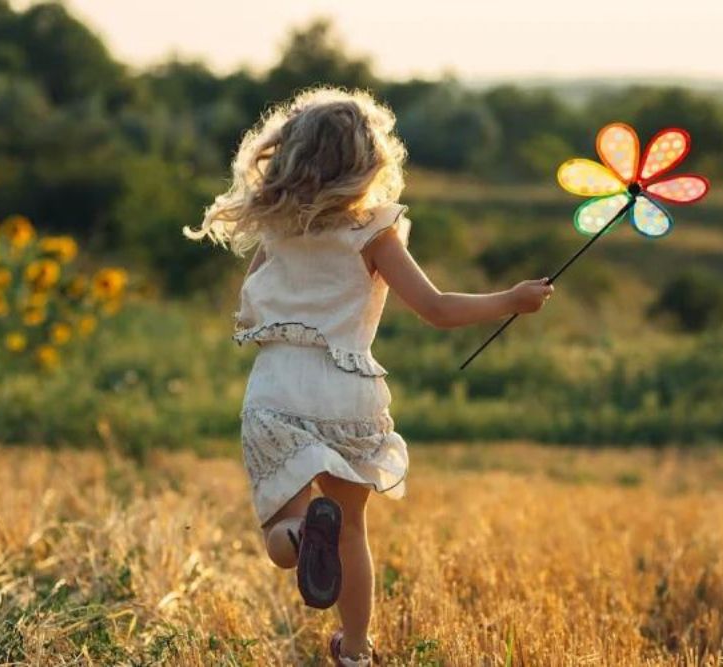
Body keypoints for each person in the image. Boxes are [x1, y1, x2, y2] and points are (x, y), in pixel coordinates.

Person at [184, 87, 553, 666]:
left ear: (288, 155)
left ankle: (302, 538)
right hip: (347, 388)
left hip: (278, 385)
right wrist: (511, 298)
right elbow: (436, 308)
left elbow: (249, 303)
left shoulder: (277, 228)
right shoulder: (374, 231)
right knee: (351, 529)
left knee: (284, 531)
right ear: (370, 160)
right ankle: (355, 652)